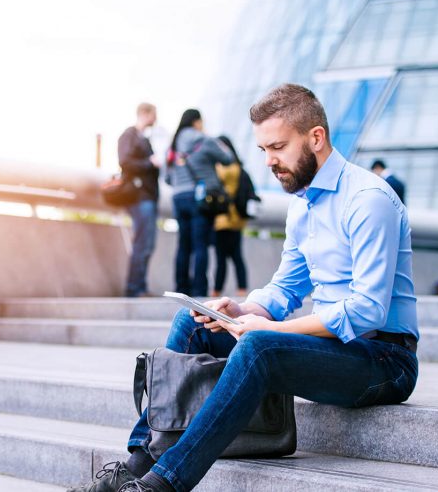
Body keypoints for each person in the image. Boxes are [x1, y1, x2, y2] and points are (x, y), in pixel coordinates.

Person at [68, 84, 419, 492]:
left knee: (259, 346)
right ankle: (137, 464)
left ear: (316, 138)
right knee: (193, 324)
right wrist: (241, 310)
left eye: (278, 147)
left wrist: (270, 329)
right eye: (264, 149)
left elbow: (367, 310)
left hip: (385, 359)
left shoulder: (368, 199)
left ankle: (162, 485)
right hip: (334, 349)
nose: (269, 161)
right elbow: (285, 289)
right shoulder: (303, 204)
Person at [164, 109, 232, 297]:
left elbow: (167, 178)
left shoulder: (172, 147)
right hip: (200, 198)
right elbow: (228, 158)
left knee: (183, 245)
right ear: (196, 122)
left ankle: (181, 288)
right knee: (200, 244)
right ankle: (199, 290)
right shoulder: (204, 140)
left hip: (178, 198)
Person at [118, 103, 162, 297]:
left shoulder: (143, 137)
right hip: (139, 196)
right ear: (145, 113)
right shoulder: (130, 135)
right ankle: (134, 288)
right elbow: (124, 162)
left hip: (148, 196)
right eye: (154, 114)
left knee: (147, 243)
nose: (156, 119)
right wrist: (149, 163)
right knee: (142, 243)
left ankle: (139, 287)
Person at [210, 135, 249, 298]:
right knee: (237, 256)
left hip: (222, 218)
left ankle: (216, 291)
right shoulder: (239, 167)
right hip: (237, 219)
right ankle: (242, 289)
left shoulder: (221, 167)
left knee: (221, 259)